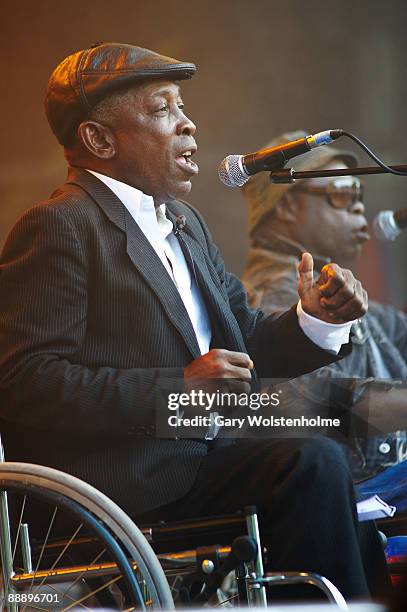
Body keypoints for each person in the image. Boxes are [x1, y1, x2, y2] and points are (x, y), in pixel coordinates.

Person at [0, 44, 389, 600]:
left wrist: (316, 320)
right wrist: (177, 389)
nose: (189, 123)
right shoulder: (60, 225)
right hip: (130, 486)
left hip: (210, 462)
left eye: (182, 106)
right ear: (99, 140)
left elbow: (246, 343)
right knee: (311, 463)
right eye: (163, 109)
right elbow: (23, 382)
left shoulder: (185, 223)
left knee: (340, 471)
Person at [241, 130, 407, 511]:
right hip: (354, 495)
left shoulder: (345, 295)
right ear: (285, 207)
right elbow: (317, 404)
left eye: (360, 199)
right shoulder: (272, 299)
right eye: (342, 196)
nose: (358, 210)